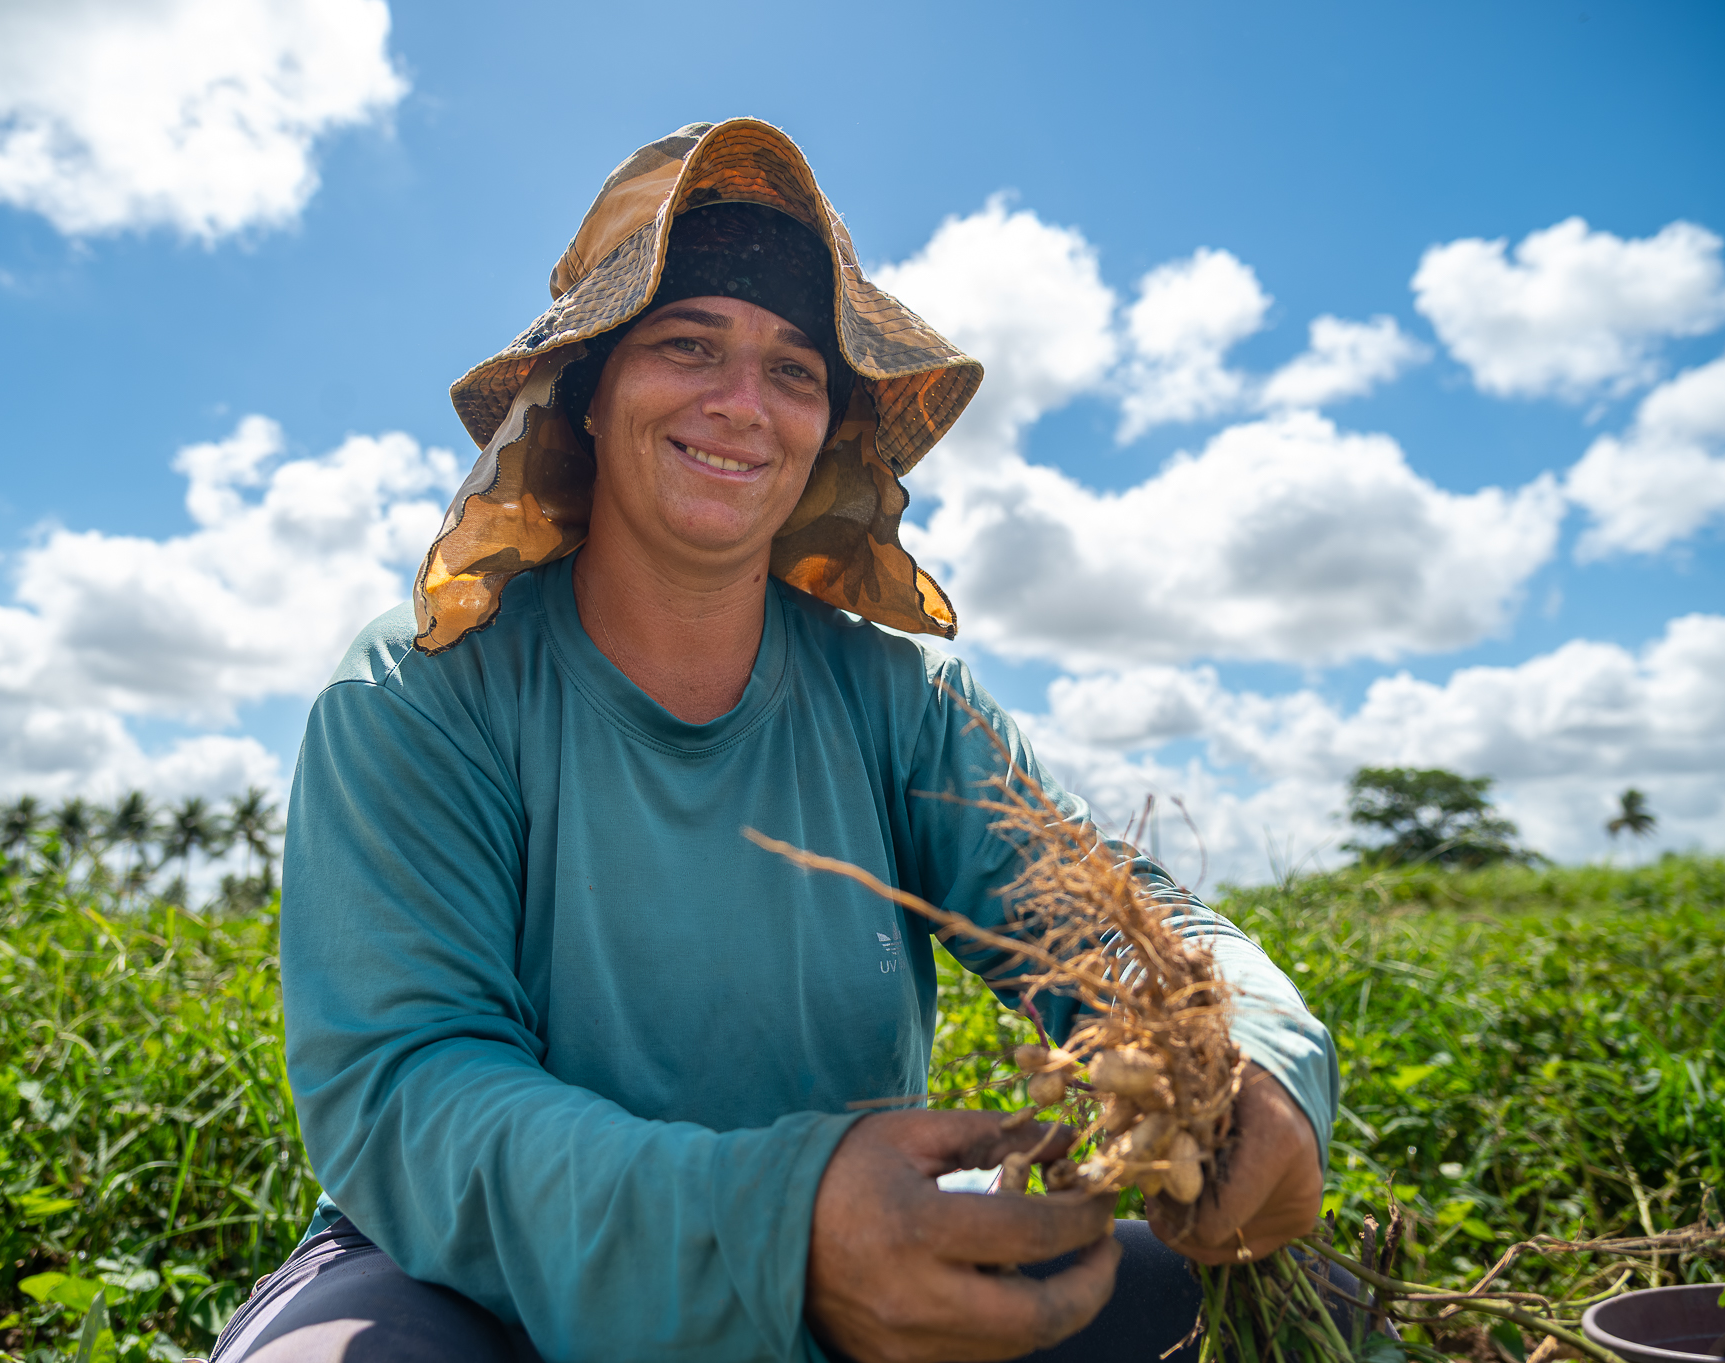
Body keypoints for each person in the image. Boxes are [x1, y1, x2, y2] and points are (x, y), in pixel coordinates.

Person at [211, 120, 1339, 1363]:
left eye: (795, 370)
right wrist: (770, 1225)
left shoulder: (899, 699)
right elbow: (410, 1088)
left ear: (827, 429)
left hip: (850, 1270)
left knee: (1302, 1313)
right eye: (685, 344)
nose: (741, 405)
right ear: (585, 393)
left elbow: (1108, 921)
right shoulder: (425, 688)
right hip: (478, 1282)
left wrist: (1250, 1063)